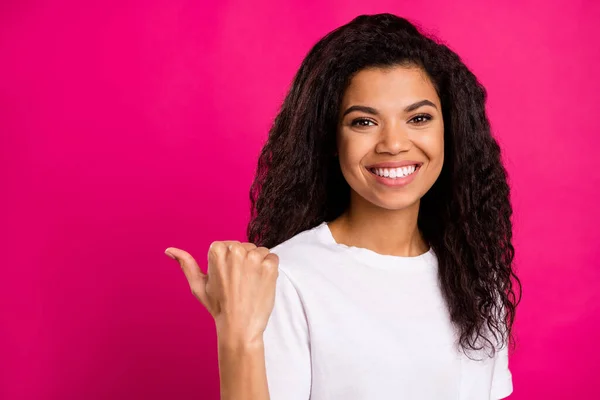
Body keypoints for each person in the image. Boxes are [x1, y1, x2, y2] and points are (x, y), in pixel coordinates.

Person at [165, 13, 522, 400]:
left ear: (450, 131)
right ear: (332, 140)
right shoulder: (285, 280)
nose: (394, 144)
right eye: (364, 122)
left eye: (418, 118)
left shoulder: (477, 277)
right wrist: (236, 334)